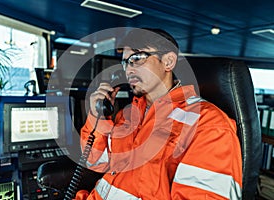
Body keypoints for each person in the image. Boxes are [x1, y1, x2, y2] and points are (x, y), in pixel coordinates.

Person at [76, 28, 242, 199]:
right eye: (125, 62)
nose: (128, 70)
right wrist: (98, 116)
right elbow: (94, 161)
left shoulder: (208, 124)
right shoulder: (127, 114)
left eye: (137, 58)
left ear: (168, 62)